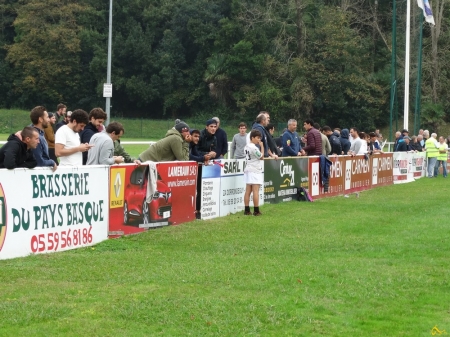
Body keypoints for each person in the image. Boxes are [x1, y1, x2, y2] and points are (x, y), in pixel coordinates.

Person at [29, 106, 57, 171]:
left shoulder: (40, 134)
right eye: (47, 117)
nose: (49, 120)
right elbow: (39, 162)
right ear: (40, 119)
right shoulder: (36, 137)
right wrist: (52, 162)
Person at [243, 129, 264, 216]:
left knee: (248, 190)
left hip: (248, 169)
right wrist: (262, 147)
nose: (259, 140)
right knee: (255, 190)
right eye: (257, 138)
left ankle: (247, 210)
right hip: (255, 170)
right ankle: (256, 210)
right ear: (252, 137)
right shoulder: (254, 147)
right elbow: (261, 157)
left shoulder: (246, 146)